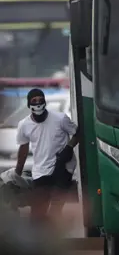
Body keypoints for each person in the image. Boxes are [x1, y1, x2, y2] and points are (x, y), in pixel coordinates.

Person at [15, 88, 79, 224]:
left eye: (40, 100)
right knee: (37, 214)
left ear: (45, 101)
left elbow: (77, 133)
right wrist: (17, 173)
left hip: (62, 167)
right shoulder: (24, 125)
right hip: (41, 171)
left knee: (55, 209)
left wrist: (69, 147)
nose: (38, 104)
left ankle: (57, 237)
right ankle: (42, 238)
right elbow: (23, 148)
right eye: (34, 101)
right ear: (28, 104)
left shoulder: (60, 119)